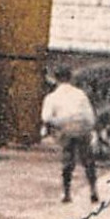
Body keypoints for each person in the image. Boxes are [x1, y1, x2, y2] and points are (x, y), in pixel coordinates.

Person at [41, 65, 99, 203]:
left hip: (66, 130)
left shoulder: (52, 97)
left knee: (68, 161)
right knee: (88, 161)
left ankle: (67, 194)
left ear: (56, 79)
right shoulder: (80, 94)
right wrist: (89, 128)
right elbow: (89, 116)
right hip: (82, 129)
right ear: (70, 78)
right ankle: (93, 190)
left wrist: (56, 124)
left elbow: (46, 117)